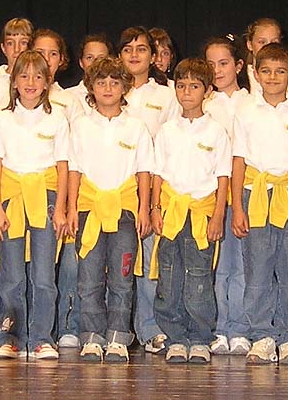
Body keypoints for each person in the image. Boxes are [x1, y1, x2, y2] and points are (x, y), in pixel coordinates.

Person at [231, 43, 288, 364]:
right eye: (266, 71)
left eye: (280, 72)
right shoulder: (246, 113)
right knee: (257, 269)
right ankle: (262, 336)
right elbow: (238, 162)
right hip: (255, 196)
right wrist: (237, 207)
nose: (272, 77)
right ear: (255, 74)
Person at [66, 56, 153, 362]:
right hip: (89, 209)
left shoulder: (136, 126)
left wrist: (144, 209)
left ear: (124, 87)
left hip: (125, 211)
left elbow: (144, 170)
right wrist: (71, 208)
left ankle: (117, 336)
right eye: (101, 82)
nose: (107, 88)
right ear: (90, 86)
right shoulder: (80, 125)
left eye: (114, 82)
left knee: (122, 276)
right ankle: (91, 336)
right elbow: (73, 169)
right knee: (89, 277)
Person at [150, 58, 231, 364]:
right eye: (181, 85)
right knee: (169, 275)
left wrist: (218, 215)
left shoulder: (216, 132)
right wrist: (155, 208)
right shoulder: (167, 130)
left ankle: (199, 337)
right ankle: (174, 337)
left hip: (201, 213)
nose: (186, 92)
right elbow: (158, 174)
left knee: (199, 275)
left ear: (207, 91)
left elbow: (223, 177)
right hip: (171, 212)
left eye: (194, 86)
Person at [0, 50, 69, 360]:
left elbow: (63, 166)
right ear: (14, 82)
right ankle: (10, 337)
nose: (31, 82)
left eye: (38, 76)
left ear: (47, 82)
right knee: (11, 275)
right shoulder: (2, 118)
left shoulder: (57, 117)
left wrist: (60, 208)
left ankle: (41, 338)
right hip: (11, 197)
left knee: (44, 275)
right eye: (24, 75)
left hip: (45, 197)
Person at [118, 26, 180, 353]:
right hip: (113, 187)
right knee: (116, 262)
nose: (134, 55)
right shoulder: (110, 89)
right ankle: (115, 328)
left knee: (149, 260)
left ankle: (150, 327)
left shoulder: (166, 95)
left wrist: (154, 200)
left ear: (153, 56)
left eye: (141, 49)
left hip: (152, 186)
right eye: (127, 49)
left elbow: (172, 144)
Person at [32, 28, 83, 348]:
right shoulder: (15, 103)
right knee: (20, 266)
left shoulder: (70, 101)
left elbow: (75, 153)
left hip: (59, 192)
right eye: (40, 53)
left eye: (53, 54)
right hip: (22, 193)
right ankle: (18, 328)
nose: (47, 60)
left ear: (62, 60)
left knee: (66, 266)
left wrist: (67, 202)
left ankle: (66, 326)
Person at [202, 35, 252, 355]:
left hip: (246, 191)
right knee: (217, 264)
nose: (217, 70)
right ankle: (219, 327)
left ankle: (241, 327)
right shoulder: (204, 104)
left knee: (243, 264)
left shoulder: (253, 103)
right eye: (211, 65)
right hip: (212, 193)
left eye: (224, 63)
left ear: (239, 65)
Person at [0, 17, 34, 130]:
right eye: (10, 43)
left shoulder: (35, 82)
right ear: (3, 48)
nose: (17, 49)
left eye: (23, 43)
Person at [243, 18, 288, 104]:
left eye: (274, 42)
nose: (268, 46)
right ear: (249, 44)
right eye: (262, 42)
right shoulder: (241, 78)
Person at [66, 34, 113, 112]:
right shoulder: (68, 96)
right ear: (81, 62)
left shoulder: (119, 95)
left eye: (101, 58)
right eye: (89, 57)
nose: (95, 62)